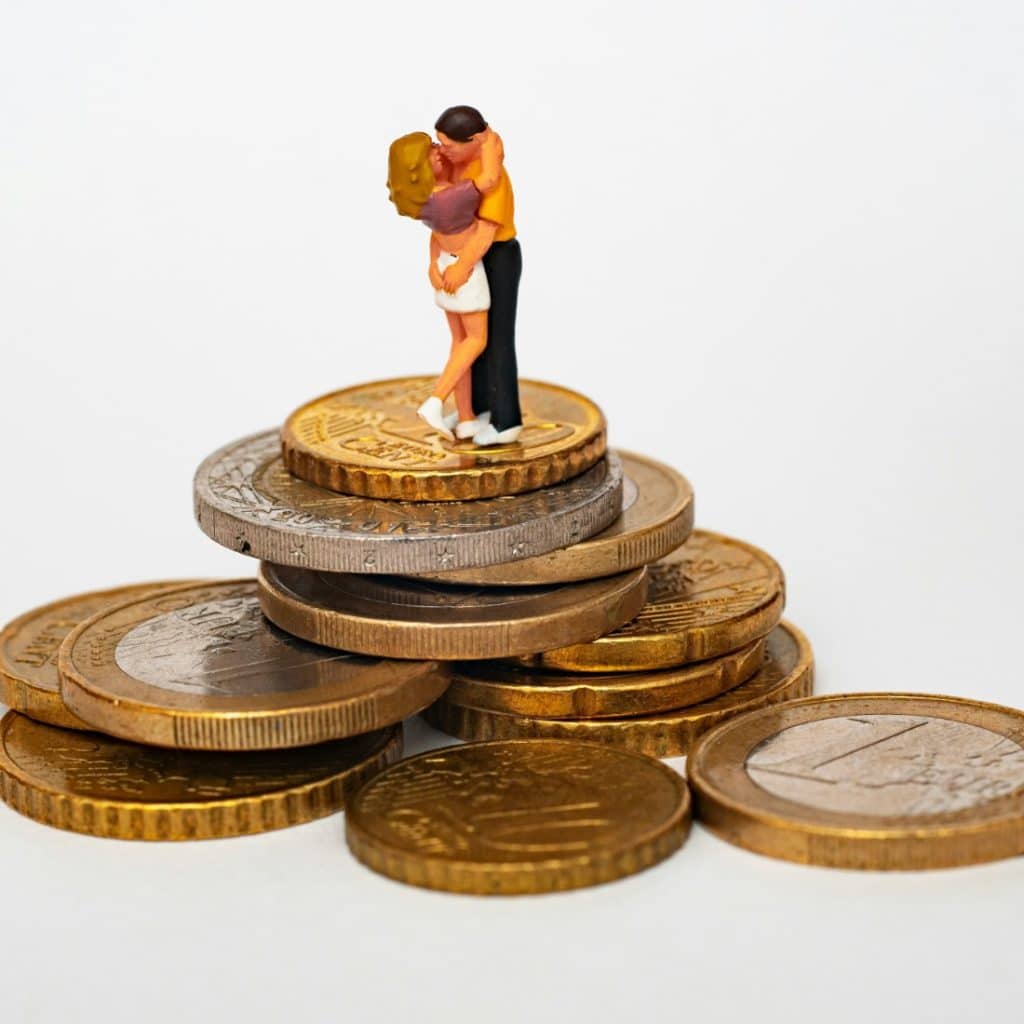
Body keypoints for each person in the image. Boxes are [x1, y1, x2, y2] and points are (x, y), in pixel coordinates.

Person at [386, 132, 497, 440]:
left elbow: (437, 236)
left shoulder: (425, 202)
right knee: (476, 340)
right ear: (419, 168)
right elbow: (489, 179)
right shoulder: (452, 196)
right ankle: (436, 400)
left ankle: (466, 417)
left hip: (444, 268)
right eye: (431, 151)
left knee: (459, 343)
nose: (438, 151)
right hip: (463, 272)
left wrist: (432, 264)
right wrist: (488, 143)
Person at [434, 106, 523, 446]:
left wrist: (462, 266)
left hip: (497, 256)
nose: (442, 150)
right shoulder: (459, 164)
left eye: (448, 145)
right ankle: (478, 408)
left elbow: (486, 232)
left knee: (497, 337)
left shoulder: (495, 177)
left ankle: (506, 420)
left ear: (473, 140)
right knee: (475, 342)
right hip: (469, 256)